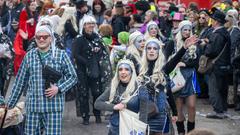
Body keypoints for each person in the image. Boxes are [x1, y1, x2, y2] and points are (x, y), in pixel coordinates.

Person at [7, 25, 78, 135]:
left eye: (45, 37)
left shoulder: (61, 55)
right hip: (33, 107)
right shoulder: (29, 56)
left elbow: (73, 77)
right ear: (35, 38)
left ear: (51, 38)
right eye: (38, 37)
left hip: (53, 107)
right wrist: (9, 106)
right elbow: (19, 83)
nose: (41, 39)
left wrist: (59, 88)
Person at [73, 15, 112, 125]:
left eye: (92, 23)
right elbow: (75, 54)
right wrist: (87, 62)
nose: (91, 25)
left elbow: (104, 53)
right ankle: (85, 116)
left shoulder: (97, 37)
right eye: (88, 23)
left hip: (95, 70)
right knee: (84, 93)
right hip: (82, 71)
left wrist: (98, 51)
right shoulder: (79, 38)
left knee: (97, 93)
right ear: (83, 25)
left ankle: (97, 114)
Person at [94, 59, 148, 135]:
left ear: (131, 72)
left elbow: (144, 113)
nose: (123, 72)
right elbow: (97, 103)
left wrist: (142, 130)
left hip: (132, 130)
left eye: (126, 69)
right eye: (120, 69)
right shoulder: (114, 87)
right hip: (115, 129)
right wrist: (114, 107)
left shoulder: (140, 89)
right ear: (117, 72)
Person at [205, 8, 231, 119]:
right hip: (224, 65)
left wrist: (206, 45)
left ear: (216, 21)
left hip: (216, 66)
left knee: (214, 89)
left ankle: (218, 111)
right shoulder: (225, 32)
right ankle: (223, 109)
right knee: (222, 89)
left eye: (212, 19)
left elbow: (210, 52)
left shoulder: (217, 34)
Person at [174, 20, 199, 134]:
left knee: (192, 106)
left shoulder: (194, 43)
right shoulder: (173, 43)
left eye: (189, 30)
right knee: (178, 108)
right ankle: (181, 131)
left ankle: (191, 132)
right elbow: (168, 60)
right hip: (177, 77)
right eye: (185, 29)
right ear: (180, 30)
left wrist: (185, 64)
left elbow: (197, 61)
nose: (187, 32)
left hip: (190, 77)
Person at [13, 0, 38, 75]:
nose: (34, 7)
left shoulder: (35, 13)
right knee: (24, 54)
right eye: (32, 5)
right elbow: (20, 24)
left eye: (35, 5)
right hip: (25, 37)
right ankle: (22, 71)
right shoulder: (24, 12)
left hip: (32, 36)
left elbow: (35, 25)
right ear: (28, 6)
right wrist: (27, 22)